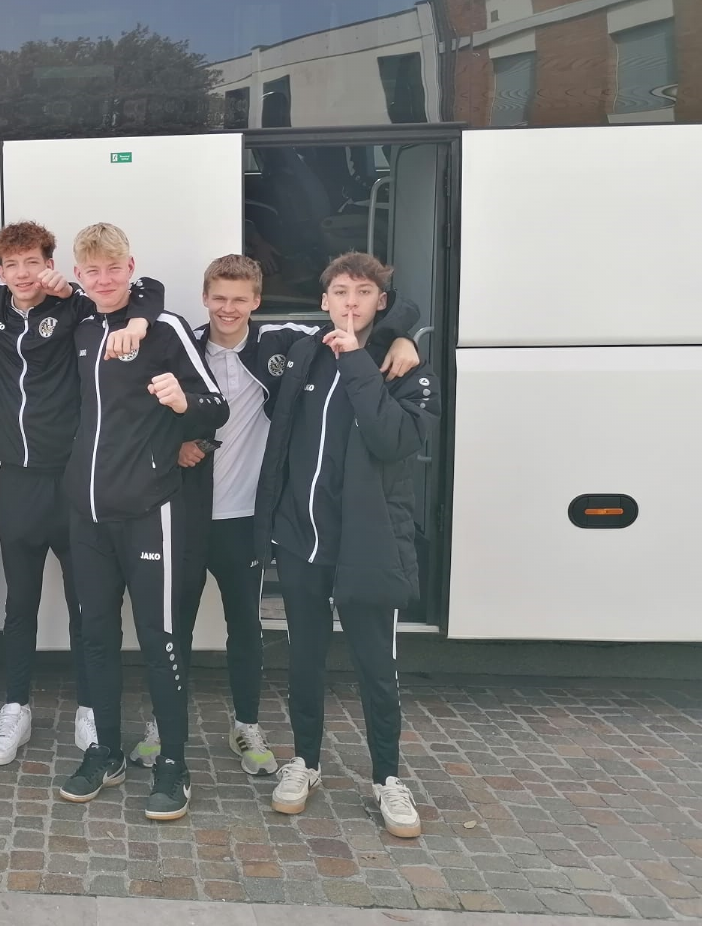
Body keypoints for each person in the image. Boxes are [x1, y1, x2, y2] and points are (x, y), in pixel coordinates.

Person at [144, 255, 420, 776]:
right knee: (173, 626)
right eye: (219, 298)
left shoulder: (282, 343)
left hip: (248, 515)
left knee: (246, 628)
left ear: (257, 302)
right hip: (185, 512)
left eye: (240, 299)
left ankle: (247, 725)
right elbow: (145, 410)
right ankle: (164, 724)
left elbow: (363, 313)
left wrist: (402, 335)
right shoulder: (181, 346)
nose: (228, 308)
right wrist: (178, 442)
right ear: (204, 298)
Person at [255, 251, 440, 838]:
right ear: (324, 300)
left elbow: (391, 439)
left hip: (370, 542)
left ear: (381, 301)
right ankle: (305, 762)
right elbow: (236, 325)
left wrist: (374, 349)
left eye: (363, 292)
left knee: (376, 668)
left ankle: (387, 778)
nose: (351, 302)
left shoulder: (404, 369)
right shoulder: (304, 349)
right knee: (304, 662)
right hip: (302, 540)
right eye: (340, 292)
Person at [0, 221, 164, 766]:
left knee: (88, 605)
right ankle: (16, 707)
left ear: (50, 265)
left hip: (74, 484)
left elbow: (146, 290)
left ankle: (90, 707)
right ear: (0, 271)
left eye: (32, 262)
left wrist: (131, 315)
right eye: (12, 265)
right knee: (20, 603)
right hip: (17, 482)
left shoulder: (78, 307)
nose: (22, 274)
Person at [58, 223, 228, 822]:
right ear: (80, 275)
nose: (104, 279)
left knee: (159, 640)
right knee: (96, 636)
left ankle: (173, 763)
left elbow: (217, 407)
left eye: (114, 268)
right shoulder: (81, 327)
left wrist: (183, 404)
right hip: (88, 515)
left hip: (151, 513)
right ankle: (104, 751)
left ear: (131, 268)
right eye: (93, 271)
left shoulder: (165, 328)